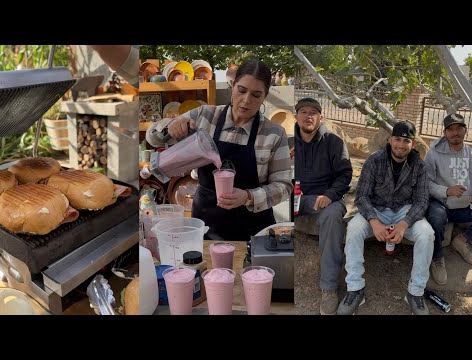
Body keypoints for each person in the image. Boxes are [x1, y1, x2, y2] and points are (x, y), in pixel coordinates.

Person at [166, 59, 293, 241]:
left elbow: (284, 186)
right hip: (206, 224)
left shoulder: (274, 133)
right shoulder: (204, 116)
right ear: (232, 86)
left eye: (256, 95)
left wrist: (249, 196)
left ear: (265, 96)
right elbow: (154, 137)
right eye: (241, 90)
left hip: (253, 230)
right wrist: (171, 125)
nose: (246, 100)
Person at [337, 121, 434, 315]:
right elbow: (361, 196)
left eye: (406, 140)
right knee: (354, 229)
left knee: (427, 234)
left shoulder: (420, 166)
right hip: (376, 210)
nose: (401, 144)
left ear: (413, 144)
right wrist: (374, 221)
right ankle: (355, 289)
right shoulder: (374, 160)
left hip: (404, 212)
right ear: (390, 140)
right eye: (397, 139)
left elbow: (422, 201)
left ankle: (415, 293)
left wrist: (404, 223)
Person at [293, 97, 352, 315]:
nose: (308, 116)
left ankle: (329, 288)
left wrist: (330, 194)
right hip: (292, 197)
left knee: (334, 212)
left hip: (320, 199)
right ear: (296, 115)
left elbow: (345, 174)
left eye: (313, 112)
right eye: (303, 111)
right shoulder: (287, 141)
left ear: (321, 117)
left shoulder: (334, 142)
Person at [425, 113, 472, 285]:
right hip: (441, 203)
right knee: (436, 219)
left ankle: (463, 240)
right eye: (450, 129)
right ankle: (437, 258)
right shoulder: (434, 154)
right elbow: (426, 184)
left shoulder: (470, 153)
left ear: (465, 130)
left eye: (459, 128)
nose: (455, 132)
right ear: (444, 133)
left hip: (464, 206)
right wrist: (447, 191)